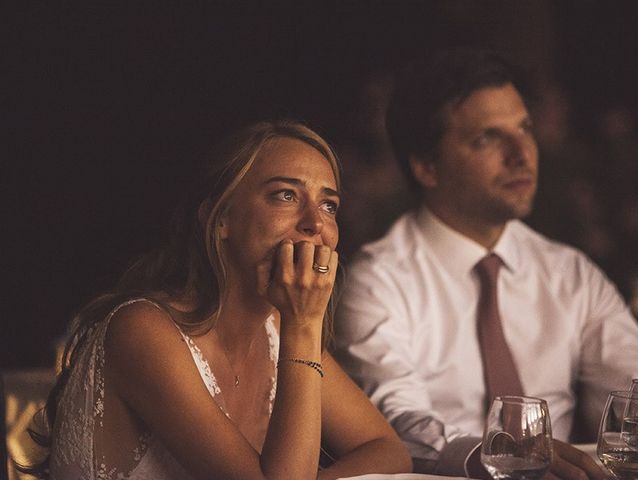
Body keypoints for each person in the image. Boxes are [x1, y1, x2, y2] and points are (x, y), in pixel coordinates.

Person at [28, 120, 411, 480]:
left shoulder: (276, 329)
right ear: (220, 218)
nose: (316, 222)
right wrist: (305, 324)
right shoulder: (142, 330)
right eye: (286, 195)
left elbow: (389, 451)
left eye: (329, 205)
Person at [334, 49, 638, 479]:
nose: (521, 153)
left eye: (524, 128)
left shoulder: (570, 273)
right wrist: (492, 456)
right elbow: (395, 423)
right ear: (426, 166)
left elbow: (632, 390)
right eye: (487, 138)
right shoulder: (376, 282)